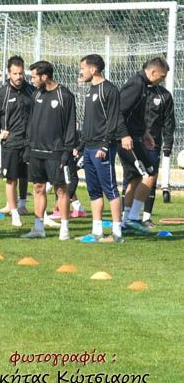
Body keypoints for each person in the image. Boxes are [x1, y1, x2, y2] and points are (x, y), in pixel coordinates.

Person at [22, 60, 77, 240]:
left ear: (44, 76)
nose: (32, 81)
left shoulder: (65, 96)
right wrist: (28, 146)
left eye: (34, 77)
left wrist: (67, 151)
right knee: (38, 188)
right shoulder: (36, 94)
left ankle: (65, 229)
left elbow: (70, 125)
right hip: (36, 151)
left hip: (56, 152)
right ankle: (39, 228)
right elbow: (31, 122)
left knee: (61, 189)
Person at [75, 54, 124, 242]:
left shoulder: (109, 90)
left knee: (110, 189)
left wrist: (105, 145)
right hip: (89, 147)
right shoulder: (90, 91)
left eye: (83, 68)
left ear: (93, 69)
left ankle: (117, 233)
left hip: (102, 148)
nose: (81, 72)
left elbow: (113, 120)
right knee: (93, 190)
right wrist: (80, 146)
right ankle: (97, 232)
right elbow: (89, 122)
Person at [119, 57, 170, 235]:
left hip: (135, 136)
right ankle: (133, 218)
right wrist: (124, 134)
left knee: (134, 178)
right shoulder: (136, 84)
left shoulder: (142, 85)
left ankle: (125, 222)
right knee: (150, 173)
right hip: (127, 138)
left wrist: (145, 133)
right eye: (161, 77)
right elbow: (119, 111)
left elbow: (135, 114)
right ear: (153, 72)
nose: (161, 80)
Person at [0, 55, 32, 227]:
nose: (19, 77)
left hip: (29, 143)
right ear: (9, 74)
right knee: (11, 178)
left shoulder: (31, 91)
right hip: (11, 144)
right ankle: (14, 212)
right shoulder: (1, 95)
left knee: (25, 175)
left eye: (21, 73)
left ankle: (23, 205)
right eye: (15, 74)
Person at [140, 77, 175, 227]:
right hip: (134, 142)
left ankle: (146, 217)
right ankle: (125, 215)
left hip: (153, 144)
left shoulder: (164, 95)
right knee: (131, 178)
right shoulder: (137, 91)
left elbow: (169, 122)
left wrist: (168, 145)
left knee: (151, 177)